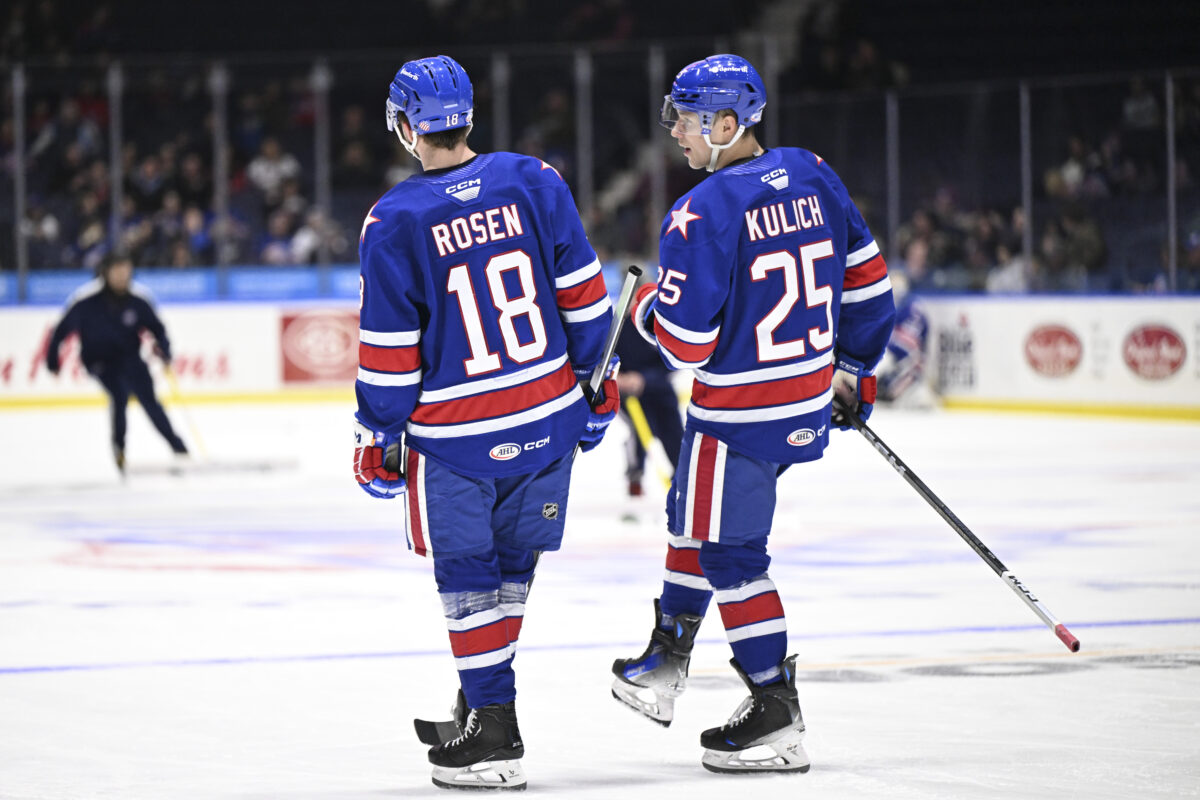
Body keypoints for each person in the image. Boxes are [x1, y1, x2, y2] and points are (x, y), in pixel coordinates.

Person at [610, 54, 896, 775]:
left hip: (736, 413)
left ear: (726, 122)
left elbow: (685, 343)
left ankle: (774, 706)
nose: (674, 130)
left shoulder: (702, 210)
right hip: (803, 401)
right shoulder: (813, 172)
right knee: (692, 516)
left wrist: (642, 310)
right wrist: (855, 369)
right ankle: (665, 659)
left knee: (731, 555)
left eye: (685, 118)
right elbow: (869, 286)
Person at [351, 55, 618, 792]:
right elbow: (585, 298)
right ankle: (479, 699)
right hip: (547, 418)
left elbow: (389, 353)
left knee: (468, 574)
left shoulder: (395, 218)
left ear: (406, 127)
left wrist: (377, 434)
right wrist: (596, 386)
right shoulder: (535, 179)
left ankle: (495, 728)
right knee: (513, 566)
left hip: (459, 437)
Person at [44, 253, 189, 473]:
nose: (122, 276)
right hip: (99, 360)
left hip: (130, 359)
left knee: (150, 401)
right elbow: (60, 331)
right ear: (106, 273)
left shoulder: (138, 301)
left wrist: (164, 351)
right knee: (119, 394)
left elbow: (158, 329)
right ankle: (119, 448)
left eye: (126, 271)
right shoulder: (86, 301)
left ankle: (178, 447)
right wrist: (53, 362)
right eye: (117, 272)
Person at [602, 261, 684, 495]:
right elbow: (603, 359)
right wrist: (618, 378)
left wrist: (644, 379)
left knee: (673, 429)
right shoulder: (616, 325)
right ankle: (635, 474)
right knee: (641, 427)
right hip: (629, 393)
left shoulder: (657, 320)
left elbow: (672, 363)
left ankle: (681, 476)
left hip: (658, 386)